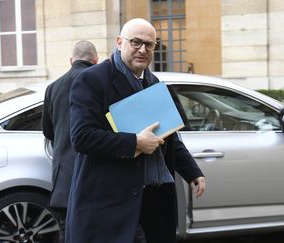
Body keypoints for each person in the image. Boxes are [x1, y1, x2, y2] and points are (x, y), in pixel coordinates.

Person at [66, 18, 206, 243]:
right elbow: (82, 137)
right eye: (136, 42)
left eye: (149, 45)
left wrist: (192, 171)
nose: (143, 49)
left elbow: (168, 135)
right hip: (107, 205)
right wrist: (135, 143)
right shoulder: (92, 79)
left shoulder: (154, 82)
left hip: (152, 203)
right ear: (120, 42)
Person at [41, 40, 98, 242]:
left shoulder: (53, 87)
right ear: (96, 60)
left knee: (69, 232)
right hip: (94, 176)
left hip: (64, 179)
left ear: (71, 60)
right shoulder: (98, 82)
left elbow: (48, 130)